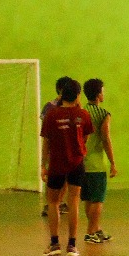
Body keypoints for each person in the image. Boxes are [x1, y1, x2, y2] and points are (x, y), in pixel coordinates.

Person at [41, 79, 93, 256]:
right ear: (78, 95)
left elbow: (46, 142)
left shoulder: (51, 115)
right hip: (77, 163)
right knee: (74, 202)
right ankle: (72, 245)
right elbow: (85, 137)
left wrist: (43, 165)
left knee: (53, 202)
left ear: (61, 95)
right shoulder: (83, 114)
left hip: (56, 163)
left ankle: (55, 243)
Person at [81, 78, 117, 244]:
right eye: (103, 91)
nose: (104, 93)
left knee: (88, 198)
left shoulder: (81, 112)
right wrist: (113, 162)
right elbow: (105, 139)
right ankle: (90, 232)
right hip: (96, 164)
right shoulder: (103, 114)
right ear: (98, 95)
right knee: (98, 199)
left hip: (81, 163)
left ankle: (96, 229)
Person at [41, 76, 73, 217]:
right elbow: (45, 129)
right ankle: (50, 204)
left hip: (68, 147)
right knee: (53, 177)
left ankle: (58, 202)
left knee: (66, 177)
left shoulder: (73, 106)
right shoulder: (50, 107)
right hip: (54, 147)